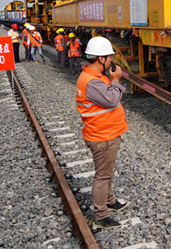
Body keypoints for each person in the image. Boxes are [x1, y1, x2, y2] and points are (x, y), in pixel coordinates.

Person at [76, 36, 129, 230]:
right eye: (109, 58)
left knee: (107, 171)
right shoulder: (93, 82)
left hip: (106, 133)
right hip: (102, 136)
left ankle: (110, 201)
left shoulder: (94, 77)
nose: (111, 61)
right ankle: (100, 214)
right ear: (101, 59)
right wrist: (116, 80)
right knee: (103, 175)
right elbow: (112, 100)